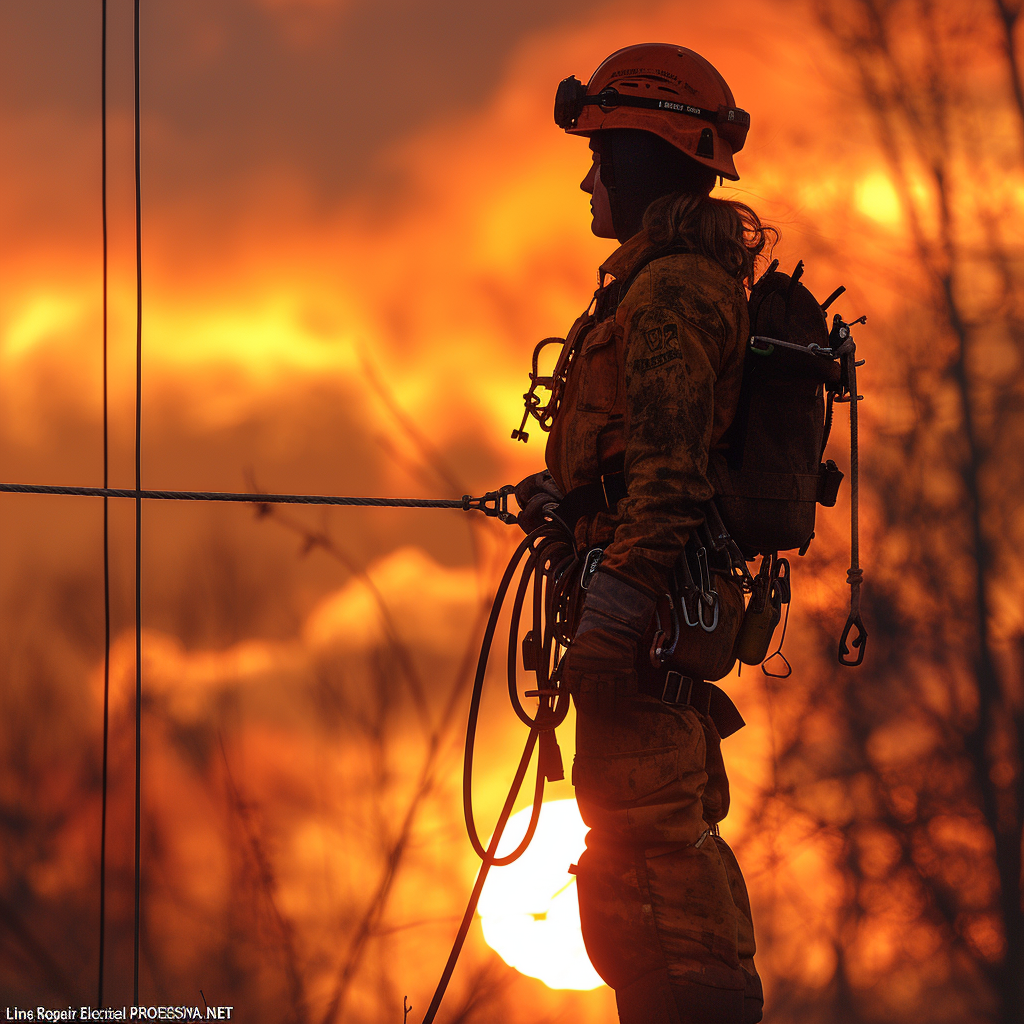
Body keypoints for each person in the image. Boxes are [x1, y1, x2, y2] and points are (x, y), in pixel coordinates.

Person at [514, 43, 775, 1024]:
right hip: (642, 635)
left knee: (658, 874)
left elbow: (670, 479)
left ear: (650, 160)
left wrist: (613, 618)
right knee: (631, 874)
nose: (589, 178)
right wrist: (561, 503)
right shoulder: (652, 286)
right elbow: (635, 467)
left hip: (649, 639)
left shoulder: (671, 293)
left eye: (603, 158)